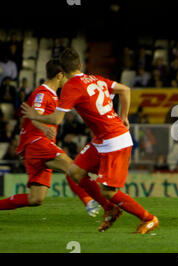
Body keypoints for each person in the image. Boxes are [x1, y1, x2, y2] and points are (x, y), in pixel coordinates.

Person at [21, 48, 159, 234]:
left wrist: (33, 116)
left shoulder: (71, 86)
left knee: (108, 191)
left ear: (62, 69)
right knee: (76, 172)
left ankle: (148, 218)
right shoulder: (96, 79)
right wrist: (123, 117)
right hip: (103, 139)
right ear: (79, 65)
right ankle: (110, 209)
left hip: (114, 141)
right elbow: (125, 90)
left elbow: (56, 120)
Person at [0, 60, 101, 217]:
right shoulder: (43, 93)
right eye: (67, 76)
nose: (68, 80)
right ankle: (89, 201)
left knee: (36, 198)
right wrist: (44, 128)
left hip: (37, 146)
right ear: (60, 75)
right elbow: (34, 115)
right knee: (72, 168)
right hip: (37, 143)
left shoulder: (52, 95)